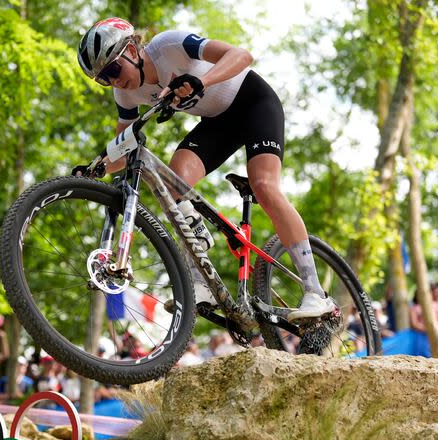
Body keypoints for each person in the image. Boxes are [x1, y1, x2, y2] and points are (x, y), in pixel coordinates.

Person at [75, 18, 335, 320]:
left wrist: (204, 81)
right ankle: (202, 282)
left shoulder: (170, 45)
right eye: (103, 79)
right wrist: (97, 167)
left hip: (253, 102)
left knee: (264, 184)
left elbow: (242, 56)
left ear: (132, 48)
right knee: (172, 182)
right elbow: (124, 146)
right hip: (217, 124)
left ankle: (315, 293)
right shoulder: (125, 94)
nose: (113, 82)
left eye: (113, 70)